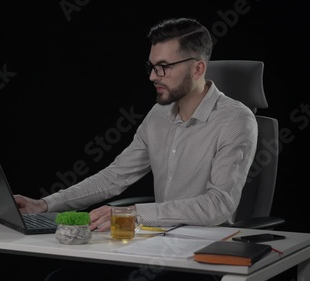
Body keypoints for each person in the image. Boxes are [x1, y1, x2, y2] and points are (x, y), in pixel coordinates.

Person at [15, 17, 258, 281]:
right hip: (155, 244)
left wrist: (134, 213)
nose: (153, 76)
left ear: (198, 69)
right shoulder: (158, 114)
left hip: (203, 256)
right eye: (152, 66)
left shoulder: (235, 120)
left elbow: (218, 205)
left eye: (163, 67)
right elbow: (116, 176)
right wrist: (46, 205)